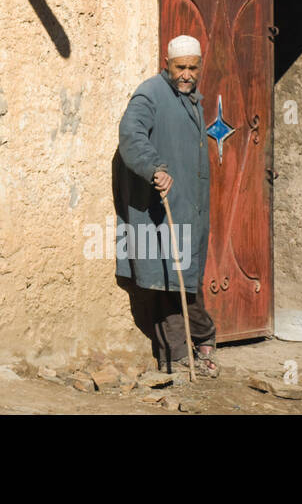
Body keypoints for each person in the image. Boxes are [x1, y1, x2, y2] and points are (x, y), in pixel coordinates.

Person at [116, 34, 217, 376]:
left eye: (193, 67)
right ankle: (182, 354)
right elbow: (131, 134)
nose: (187, 74)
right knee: (168, 282)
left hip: (188, 208)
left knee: (183, 280)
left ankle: (200, 342)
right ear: (167, 64)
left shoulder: (193, 100)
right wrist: (153, 167)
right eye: (180, 67)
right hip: (159, 208)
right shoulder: (150, 94)